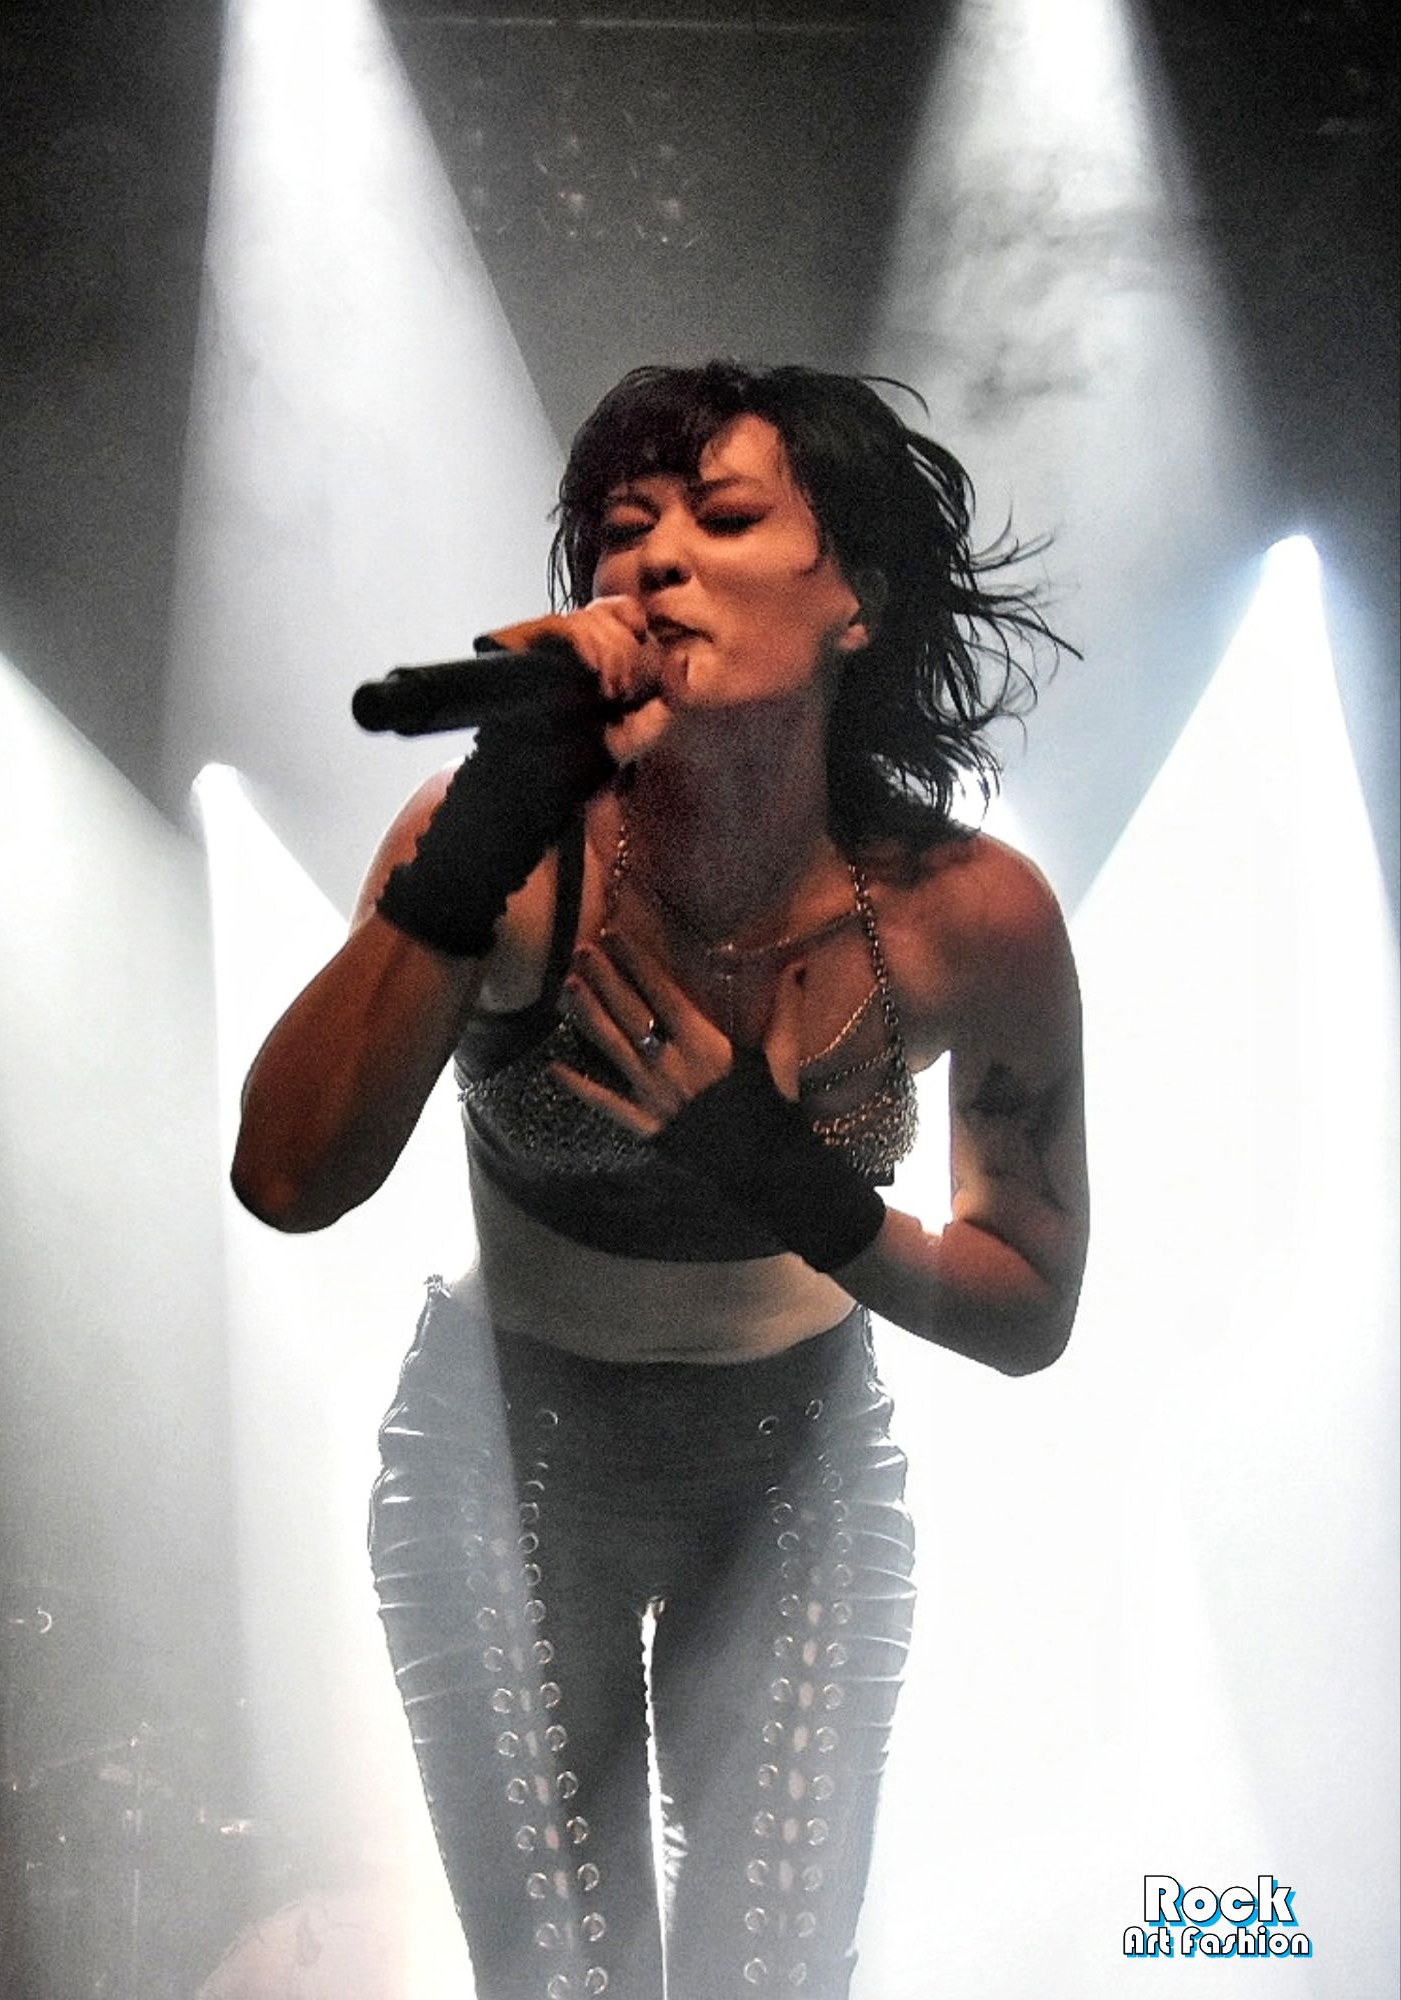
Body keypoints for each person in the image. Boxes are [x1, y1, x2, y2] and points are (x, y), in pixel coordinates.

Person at [232, 361, 1089, 2000]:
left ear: (857, 598)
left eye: (727, 515)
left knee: (773, 1974)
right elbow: (285, 1173)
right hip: (507, 1452)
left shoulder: (969, 917)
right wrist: (482, 825)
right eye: (625, 530)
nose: (660, 558)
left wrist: (788, 1183)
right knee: (564, 1977)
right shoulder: (510, 851)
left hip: (798, 1472)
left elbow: (1032, 1303)